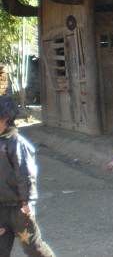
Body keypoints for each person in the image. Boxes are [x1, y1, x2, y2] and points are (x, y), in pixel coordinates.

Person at [0, 96, 55, 257]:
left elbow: (25, 174)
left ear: (6, 119)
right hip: (1, 208)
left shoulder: (16, 143)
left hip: (19, 208)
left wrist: (27, 201)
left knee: (33, 247)